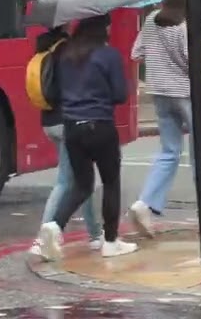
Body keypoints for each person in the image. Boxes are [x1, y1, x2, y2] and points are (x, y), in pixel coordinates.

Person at [37, 14, 136, 260]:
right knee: (111, 181)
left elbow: (58, 91)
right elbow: (120, 94)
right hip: (100, 125)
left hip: (72, 127)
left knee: (82, 186)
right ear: (102, 28)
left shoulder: (65, 55)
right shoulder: (108, 55)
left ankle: (54, 225)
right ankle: (110, 242)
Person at [28, 26, 103, 258]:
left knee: (84, 179)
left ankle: (95, 235)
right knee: (65, 182)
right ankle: (43, 238)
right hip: (67, 122)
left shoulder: (44, 49)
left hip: (49, 122)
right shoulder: (66, 53)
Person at [128, 0, 191, 236]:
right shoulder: (185, 26)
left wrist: (159, 60)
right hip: (185, 93)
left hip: (159, 91)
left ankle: (144, 203)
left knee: (169, 151)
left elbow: (136, 53)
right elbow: (191, 60)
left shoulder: (152, 19)